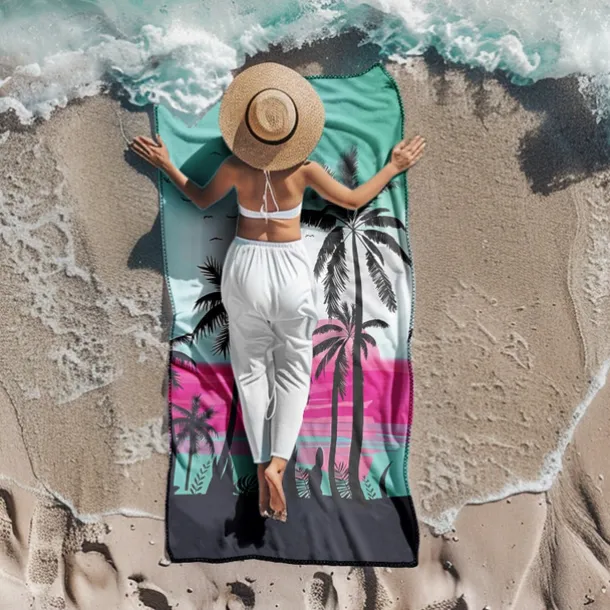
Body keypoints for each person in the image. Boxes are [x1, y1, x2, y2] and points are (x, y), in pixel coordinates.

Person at [130, 62, 426, 523]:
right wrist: (394, 165)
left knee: (249, 370)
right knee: (294, 370)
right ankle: (278, 465)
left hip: (245, 266)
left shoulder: (236, 166)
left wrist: (166, 163)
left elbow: (201, 198)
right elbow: (352, 201)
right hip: (289, 270)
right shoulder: (304, 170)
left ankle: (260, 460)